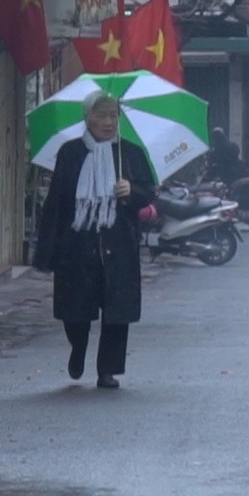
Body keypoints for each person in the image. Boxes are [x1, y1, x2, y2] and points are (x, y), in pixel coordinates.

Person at [34, 91, 156, 389]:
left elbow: (147, 193)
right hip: (78, 244)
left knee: (116, 309)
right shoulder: (70, 153)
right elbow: (57, 203)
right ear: (87, 118)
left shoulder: (130, 153)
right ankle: (77, 348)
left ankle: (107, 370)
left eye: (113, 115)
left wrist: (132, 191)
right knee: (75, 308)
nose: (108, 122)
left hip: (119, 243)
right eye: (100, 115)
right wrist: (47, 252)